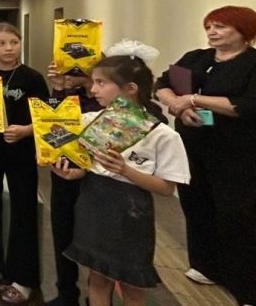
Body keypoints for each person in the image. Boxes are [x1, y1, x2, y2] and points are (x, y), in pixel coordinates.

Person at [54, 42, 191, 306]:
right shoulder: (93, 120)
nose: (93, 89)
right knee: (97, 277)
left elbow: (166, 188)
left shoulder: (161, 134)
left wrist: (126, 170)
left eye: (101, 83)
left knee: (132, 284)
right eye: (94, 82)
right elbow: (90, 165)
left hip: (130, 214)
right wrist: (75, 174)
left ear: (130, 88)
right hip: (92, 204)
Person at [154, 5, 256, 305]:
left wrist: (195, 99)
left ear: (244, 31)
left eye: (220, 26)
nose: (212, 32)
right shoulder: (196, 58)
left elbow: (246, 106)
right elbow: (162, 85)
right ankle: (205, 266)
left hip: (236, 152)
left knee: (237, 216)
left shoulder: (252, 64)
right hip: (192, 146)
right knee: (196, 205)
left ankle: (244, 285)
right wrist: (179, 106)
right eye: (209, 26)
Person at [0, 23, 48, 304]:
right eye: (1, 43)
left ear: (20, 43)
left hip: (20, 153)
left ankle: (23, 279)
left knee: (23, 211)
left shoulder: (32, 78)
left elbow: (46, 118)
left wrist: (25, 130)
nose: (8, 48)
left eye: (13, 42)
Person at [44, 61, 103, 306]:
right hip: (64, 170)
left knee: (98, 240)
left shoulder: (109, 101)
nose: (65, 72)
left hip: (101, 179)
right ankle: (66, 293)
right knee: (62, 232)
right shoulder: (67, 92)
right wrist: (59, 88)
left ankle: (98, 296)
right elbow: (52, 124)